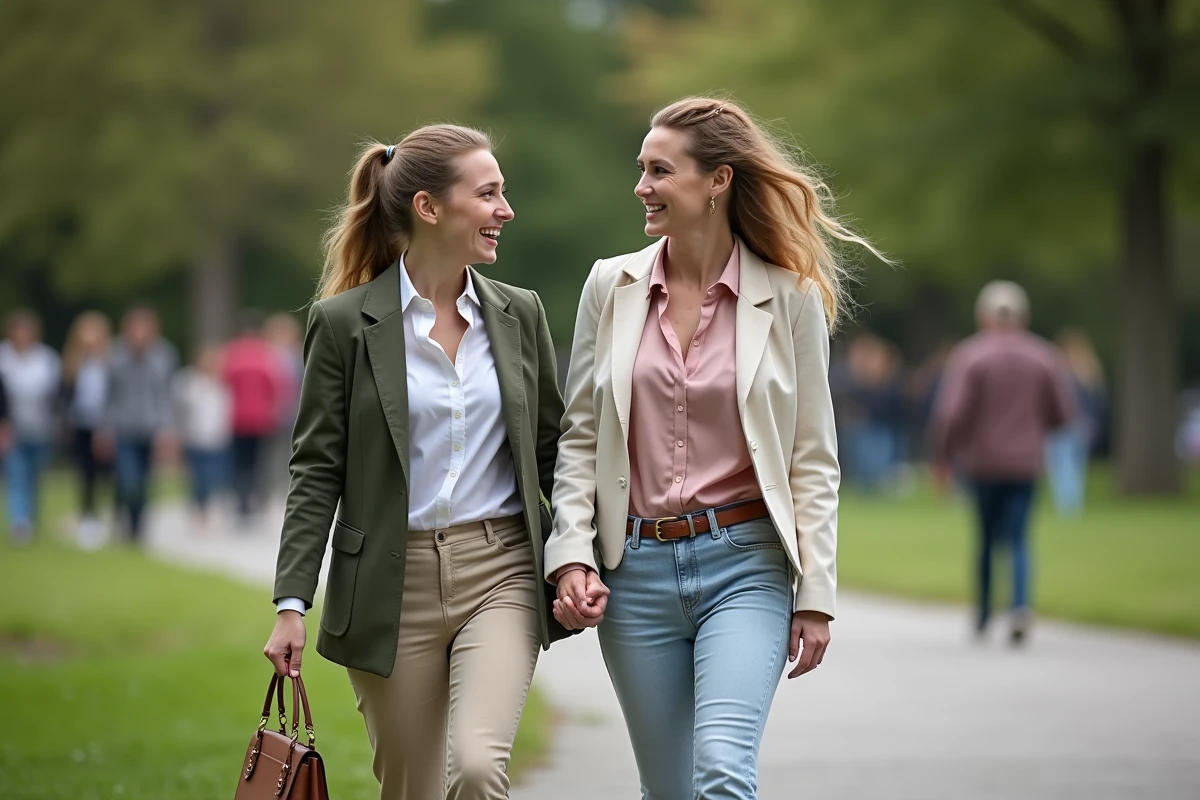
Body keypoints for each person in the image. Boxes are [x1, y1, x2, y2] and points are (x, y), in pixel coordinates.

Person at [544, 97, 883, 800]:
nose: (641, 186)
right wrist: (571, 552)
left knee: (723, 769)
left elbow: (813, 459)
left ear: (717, 181)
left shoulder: (790, 297)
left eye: (659, 171)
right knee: (669, 789)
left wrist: (815, 593)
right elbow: (581, 436)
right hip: (633, 574)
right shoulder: (611, 286)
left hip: (745, 566)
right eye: (642, 169)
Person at [263, 125, 569, 800]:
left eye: (504, 193)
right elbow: (316, 470)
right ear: (429, 207)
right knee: (415, 788)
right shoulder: (342, 325)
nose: (505, 210)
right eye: (488, 194)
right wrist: (291, 603)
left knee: (478, 768)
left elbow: (555, 453)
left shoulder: (521, 315)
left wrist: (577, 557)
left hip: (501, 571)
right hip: (386, 587)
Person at [927, 280, 1074, 644]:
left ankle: (983, 613)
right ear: (1023, 316)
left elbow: (951, 415)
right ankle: (1020, 606)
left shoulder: (971, 356)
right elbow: (1062, 415)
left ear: (984, 316)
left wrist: (943, 455)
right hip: (1025, 463)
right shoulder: (1044, 357)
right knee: (1020, 537)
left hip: (983, 463)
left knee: (986, 538)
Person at [98, 307, 178, 543]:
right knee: (127, 478)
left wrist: (168, 429)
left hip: (152, 427)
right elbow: (109, 395)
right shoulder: (116, 354)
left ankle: (137, 527)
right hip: (123, 426)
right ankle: (121, 512)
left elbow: (165, 394)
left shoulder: (164, 355)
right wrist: (104, 427)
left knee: (144, 480)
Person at [0, 310, 61, 544]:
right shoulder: (3, 357)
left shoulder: (47, 359)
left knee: (34, 476)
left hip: (41, 428)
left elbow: (54, 397)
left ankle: (30, 517)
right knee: (16, 474)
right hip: (12, 427)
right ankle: (19, 521)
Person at [222, 311, 283, 525]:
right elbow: (275, 386)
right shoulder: (265, 354)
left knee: (239, 462)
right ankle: (257, 500)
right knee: (259, 462)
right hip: (260, 419)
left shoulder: (233, 352)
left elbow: (225, 382)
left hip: (237, 418)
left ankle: (241, 502)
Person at [60, 311, 114, 549]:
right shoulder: (73, 365)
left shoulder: (110, 363)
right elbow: (65, 396)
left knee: (109, 473)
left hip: (108, 425)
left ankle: (111, 515)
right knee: (86, 473)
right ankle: (88, 517)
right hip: (82, 424)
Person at [1044, 327, 1106, 515]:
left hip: (1062, 426)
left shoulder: (1061, 375)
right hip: (1084, 427)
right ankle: (1072, 505)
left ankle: (1066, 507)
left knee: (1062, 467)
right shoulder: (1091, 373)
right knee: (1076, 468)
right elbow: (1099, 403)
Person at [172, 345, 232, 526]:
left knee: (212, 476)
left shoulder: (221, 383)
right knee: (197, 477)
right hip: (194, 438)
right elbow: (180, 410)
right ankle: (198, 508)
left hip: (216, 439)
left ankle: (206, 506)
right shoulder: (188, 382)